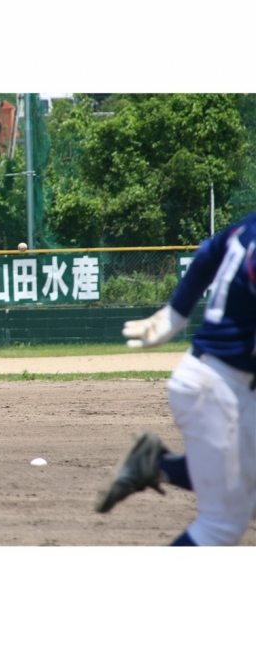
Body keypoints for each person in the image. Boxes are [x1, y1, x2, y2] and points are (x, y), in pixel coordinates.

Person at [94, 212, 256, 546]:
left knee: (246, 495)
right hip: (220, 388)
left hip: (221, 383)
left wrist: (176, 313)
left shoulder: (250, 224)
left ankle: (156, 464)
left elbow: (209, 252)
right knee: (221, 525)